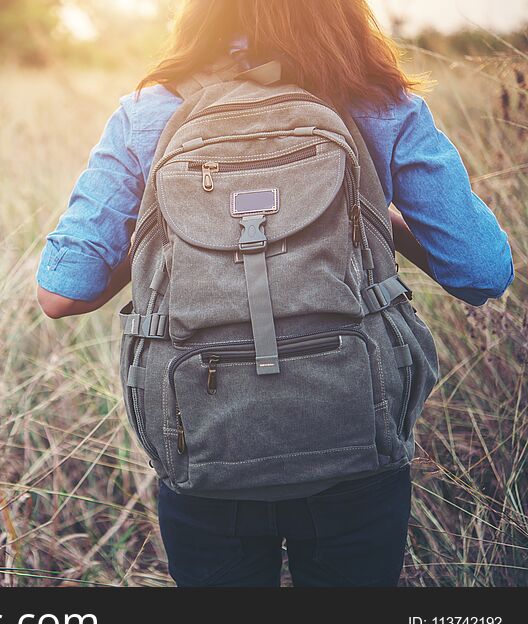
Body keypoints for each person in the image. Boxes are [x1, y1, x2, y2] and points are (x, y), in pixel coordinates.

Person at [35, 0, 514, 587]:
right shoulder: (380, 105)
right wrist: (369, 213)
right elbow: (482, 271)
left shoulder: (148, 112)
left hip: (205, 439)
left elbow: (62, 293)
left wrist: (168, 224)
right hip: (354, 434)